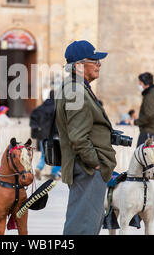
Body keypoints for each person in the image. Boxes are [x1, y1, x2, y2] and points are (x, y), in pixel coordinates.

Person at [55, 40, 116, 235]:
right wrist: (95, 163)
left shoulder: (77, 88)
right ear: (80, 66)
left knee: (87, 223)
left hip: (86, 169)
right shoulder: (75, 91)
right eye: (95, 60)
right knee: (83, 227)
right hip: (87, 170)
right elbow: (78, 136)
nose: (99, 65)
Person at [30, 90, 61, 181]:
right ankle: (54, 173)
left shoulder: (41, 107)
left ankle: (38, 168)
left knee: (44, 155)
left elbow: (33, 119)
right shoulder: (56, 108)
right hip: (53, 135)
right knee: (57, 155)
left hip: (42, 136)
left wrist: (36, 130)